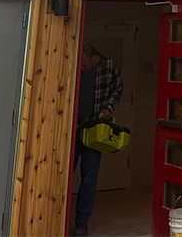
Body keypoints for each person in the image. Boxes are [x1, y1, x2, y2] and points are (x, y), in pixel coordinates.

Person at [73, 43, 123, 237]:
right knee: (64, 174)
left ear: (94, 59)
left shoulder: (109, 67)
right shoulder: (75, 65)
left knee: (89, 178)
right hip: (72, 127)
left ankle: (82, 222)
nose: (82, 68)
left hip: (94, 129)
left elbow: (118, 89)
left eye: (85, 65)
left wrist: (108, 109)